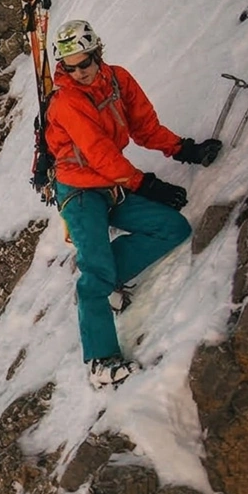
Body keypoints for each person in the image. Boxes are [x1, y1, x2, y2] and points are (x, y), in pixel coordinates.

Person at [42, 19, 222, 385]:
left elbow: (145, 127)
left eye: (85, 63)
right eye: (70, 67)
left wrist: (185, 150)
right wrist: (146, 184)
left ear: (98, 54)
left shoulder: (118, 80)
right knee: (96, 275)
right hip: (78, 192)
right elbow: (100, 154)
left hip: (112, 185)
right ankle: (101, 362)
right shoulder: (66, 102)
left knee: (172, 227)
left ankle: (102, 280)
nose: (79, 73)